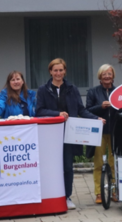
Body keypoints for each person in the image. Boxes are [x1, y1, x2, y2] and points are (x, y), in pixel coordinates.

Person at [35, 58, 104, 209]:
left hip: (68, 134)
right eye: (55, 70)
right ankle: (50, 196)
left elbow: (81, 109)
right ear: (50, 72)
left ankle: (67, 197)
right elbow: (39, 111)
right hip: (50, 134)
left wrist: (96, 119)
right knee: (51, 167)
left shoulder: (72, 88)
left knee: (67, 167)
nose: (58, 73)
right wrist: (57, 114)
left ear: (65, 71)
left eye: (61, 70)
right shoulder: (43, 90)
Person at [85, 64, 117, 205]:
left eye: (109, 73)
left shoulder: (118, 91)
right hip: (99, 132)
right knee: (98, 163)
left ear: (113, 76)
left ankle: (114, 190)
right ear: (100, 76)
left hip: (115, 131)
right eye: (104, 74)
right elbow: (87, 110)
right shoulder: (93, 92)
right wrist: (101, 107)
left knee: (114, 163)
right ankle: (99, 193)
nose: (107, 76)